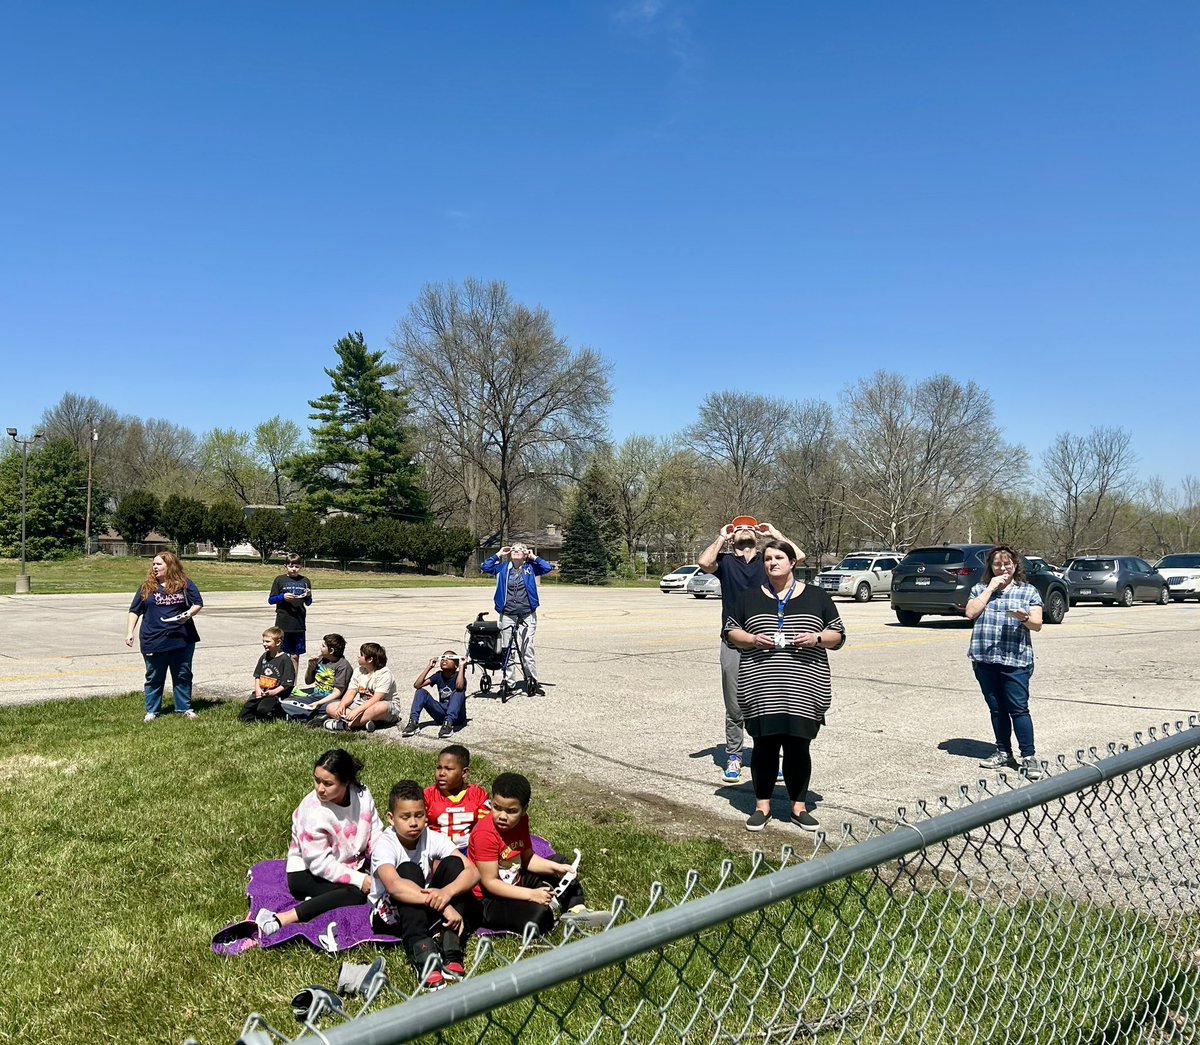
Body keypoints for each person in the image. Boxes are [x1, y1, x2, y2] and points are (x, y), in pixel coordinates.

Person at [723, 540, 845, 833]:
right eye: (767, 558)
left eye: (779, 557)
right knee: (764, 748)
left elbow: (838, 636)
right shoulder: (748, 597)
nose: (772, 563)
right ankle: (762, 807)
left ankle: (798, 807)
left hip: (804, 688)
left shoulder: (817, 597)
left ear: (793, 562)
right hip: (761, 688)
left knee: (798, 749)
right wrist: (752, 639)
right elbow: (729, 632)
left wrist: (816, 638)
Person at [698, 516, 805, 783]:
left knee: (769, 703)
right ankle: (734, 756)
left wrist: (776, 533)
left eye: (750, 528)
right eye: (739, 528)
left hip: (767, 641)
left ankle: (770, 758)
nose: (745, 530)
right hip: (733, 641)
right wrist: (722, 535)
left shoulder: (767, 562)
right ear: (733, 538)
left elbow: (798, 556)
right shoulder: (725, 562)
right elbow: (703, 562)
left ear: (757, 538)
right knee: (734, 704)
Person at [255, 749, 382, 938]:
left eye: (328, 783)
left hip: (350, 863)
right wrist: (359, 879)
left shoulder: (362, 795)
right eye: (317, 780)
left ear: (346, 782)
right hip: (306, 872)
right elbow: (320, 864)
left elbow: (375, 831)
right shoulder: (313, 812)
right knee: (355, 894)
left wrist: (383, 863)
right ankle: (282, 918)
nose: (320, 788)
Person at [369, 779, 480, 989]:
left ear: (426, 814)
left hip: (425, 905)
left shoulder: (432, 837)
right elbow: (394, 886)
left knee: (454, 863)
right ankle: (423, 953)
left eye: (419, 815)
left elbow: (472, 872)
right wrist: (445, 906)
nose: (413, 823)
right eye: (405, 817)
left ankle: (451, 948)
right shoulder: (385, 844)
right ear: (391, 819)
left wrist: (447, 892)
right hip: (391, 914)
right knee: (408, 869)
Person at [466, 772, 608, 935]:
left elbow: (527, 858)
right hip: (487, 899)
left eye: (511, 811)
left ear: (524, 809)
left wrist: (556, 868)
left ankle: (576, 911)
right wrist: (531, 895)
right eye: (496, 808)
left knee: (563, 865)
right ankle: (547, 905)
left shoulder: (522, 821)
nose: (502, 816)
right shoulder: (485, 834)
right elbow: (490, 883)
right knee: (538, 916)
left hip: (515, 878)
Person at [964, 545, 1045, 781]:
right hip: (985, 659)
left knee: (1018, 708)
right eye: (997, 564)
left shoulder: (1028, 591)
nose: (1003, 568)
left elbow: (1038, 624)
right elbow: (970, 613)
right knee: (996, 708)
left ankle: (1028, 756)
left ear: (1015, 565)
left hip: (1016, 659)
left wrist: (1026, 618)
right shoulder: (980, 589)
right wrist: (990, 588)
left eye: (1007, 564)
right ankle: (1003, 751)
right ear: (990, 567)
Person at [125, 551, 204, 723]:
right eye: (153, 564)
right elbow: (134, 610)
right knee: (154, 676)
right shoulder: (146, 587)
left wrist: (188, 614)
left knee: (183, 674)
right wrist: (130, 632)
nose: (155, 567)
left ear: (170, 566)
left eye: (159, 564)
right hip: (153, 639)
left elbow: (198, 602)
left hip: (182, 638)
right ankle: (152, 711)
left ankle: (184, 707)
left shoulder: (184, 584)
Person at [479, 542, 555, 698]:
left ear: (525, 553)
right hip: (508, 614)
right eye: (513, 549)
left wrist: (533, 556)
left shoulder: (530, 568)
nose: (516, 551)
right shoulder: (502, 568)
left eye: (520, 549)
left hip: (527, 613)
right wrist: (498, 554)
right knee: (508, 649)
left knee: (526, 648)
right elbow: (485, 567)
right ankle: (509, 682)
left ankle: (531, 679)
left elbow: (547, 568)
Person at [424, 745, 491, 850]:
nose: (441, 773)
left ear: (464, 773)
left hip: (469, 849)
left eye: (448, 769)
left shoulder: (477, 794)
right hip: (436, 850)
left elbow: (486, 827)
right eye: (439, 767)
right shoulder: (427, 795)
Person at [323, 642, 400, 733]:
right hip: (362, 705)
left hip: (385, 708)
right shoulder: (358, 671)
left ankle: (346, 725)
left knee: (380, 707)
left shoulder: (384, 674)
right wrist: (342, 705)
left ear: (370, 659)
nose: (358, 657)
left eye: (361, 655)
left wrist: (356, 711)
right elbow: (351, 692)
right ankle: (368, 722)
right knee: (331, 707)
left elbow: (377, 698)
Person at [284, 633, 354, 723]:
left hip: (331, 701)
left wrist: (318, 703)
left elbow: (337, 693)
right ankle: (315, 715)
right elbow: (308, 681)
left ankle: (311, 716)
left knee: (329, 708)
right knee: (285, 702)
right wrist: (310, 667)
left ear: (331, 650)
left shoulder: (343, 666)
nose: (320, 648)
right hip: (314, 697)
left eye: (323, 646)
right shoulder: (321, 659)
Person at [402, 651, 469, 740]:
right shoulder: (438, 675)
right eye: (443, 658)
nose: (445, 660)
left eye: (449, 658)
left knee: (458, 692)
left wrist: (462, 667)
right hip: (441, 714)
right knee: (420, 692)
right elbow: (417, 685)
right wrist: (429, 667)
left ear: (456, 665)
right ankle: (413, 722)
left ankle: (448, 724)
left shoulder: (459, 676)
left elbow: (460, 687)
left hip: (457, 717)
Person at [238, 627, 297, 723]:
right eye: (263, 641)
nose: (264, 644)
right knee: (243, 717)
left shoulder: (285, 660)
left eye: (267, 642)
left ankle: (279, 712)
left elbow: (287, 683)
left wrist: (274, 692)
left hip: (275, 694)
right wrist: (257, 689)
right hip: (261, 691)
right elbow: (257, 675)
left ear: (278, 642)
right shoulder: (264, 656)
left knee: (263, 710)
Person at [268, 554, 313, 675]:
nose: (294, 569)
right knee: (281, 655)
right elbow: (271, 600)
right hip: (283, 623)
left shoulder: (305, 581)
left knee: (294, 656)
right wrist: (282, 597)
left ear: (301, 567)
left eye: (297, 566)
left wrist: (308, 595)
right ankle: (280, 681)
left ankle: (293, 684)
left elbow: (308, 603)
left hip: (298, 624)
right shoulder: (280, 580)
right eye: (291, 566)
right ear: (286, 566)